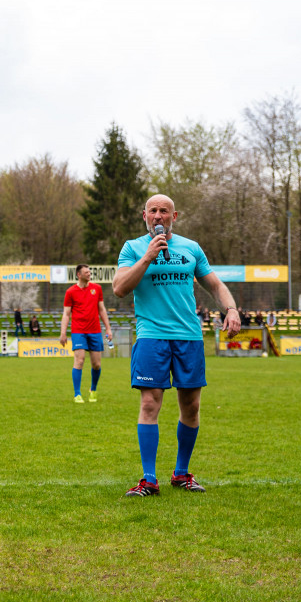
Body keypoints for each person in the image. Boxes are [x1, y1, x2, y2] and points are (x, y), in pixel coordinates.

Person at [114, 194, 241, 497]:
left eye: (164, 211)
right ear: (144, 215)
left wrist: (232, 309)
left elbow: (215, 285)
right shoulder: (132, 248)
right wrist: (147, 257)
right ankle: (148, 479)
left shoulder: (191, 248)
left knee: (191, 406)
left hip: (188, 336)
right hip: (151, 335)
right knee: (149, 403)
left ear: (175, 216)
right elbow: (119, 288)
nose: (158, 216)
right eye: (153, 211)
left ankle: (181, 473)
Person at [59, 264, 113, 403]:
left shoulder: (97, 289)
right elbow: (66, 314)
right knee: (80, 360)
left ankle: (93, 390)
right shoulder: (70, 292)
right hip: (78, 331)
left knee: (96, 365)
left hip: (95, 330)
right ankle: (77, 394)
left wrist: (108, 328)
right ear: (79, 275)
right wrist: (63, 333)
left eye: (89, 272)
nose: (89, 274)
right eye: (86, 272)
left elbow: (101, 310)